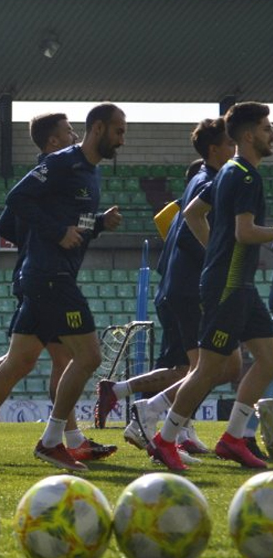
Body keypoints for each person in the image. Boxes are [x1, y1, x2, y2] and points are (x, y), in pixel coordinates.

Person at [0, 104, 125, 472]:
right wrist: (55, 232)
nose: (121, 139)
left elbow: (73, 223)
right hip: (49, 275)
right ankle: (51, 441)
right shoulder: (62, 162)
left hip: (52, 273)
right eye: (118, 131)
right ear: (98, 129)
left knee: (20, 361)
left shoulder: (90, 173)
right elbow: (16, 199)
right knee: (88, 357)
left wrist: (98, 224)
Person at [97, 119, 240, 461]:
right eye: (230, 143)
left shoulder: (198, 183)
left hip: (180, 287)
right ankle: (154, 418)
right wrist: (219, 263)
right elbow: (192, 236)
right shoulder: (210, 183)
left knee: (206, 368)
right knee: (209, 369)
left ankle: (170, 425)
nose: (235, 149)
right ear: (214, 149)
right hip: (191, 288)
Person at [150, 102, 273, 471]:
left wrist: (214, 253)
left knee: (269, 358)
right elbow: (245, 232)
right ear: (249, 135)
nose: (271, 134)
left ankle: (234, 438)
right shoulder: (246, 176)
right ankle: (164, 438)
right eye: (267, 128)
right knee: (208, 369)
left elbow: (191, 213)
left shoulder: (228, 171)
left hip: (237, 282)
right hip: (228, 285)